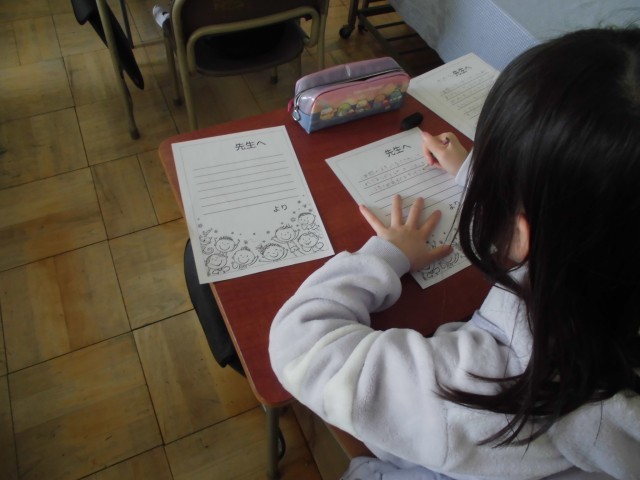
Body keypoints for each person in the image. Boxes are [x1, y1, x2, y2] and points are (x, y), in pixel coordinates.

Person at [269, 27, 640, 479]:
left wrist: (387, 254)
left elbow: (300, 343)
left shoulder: (488, 391)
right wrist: (480, 174)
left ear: (523, 233)